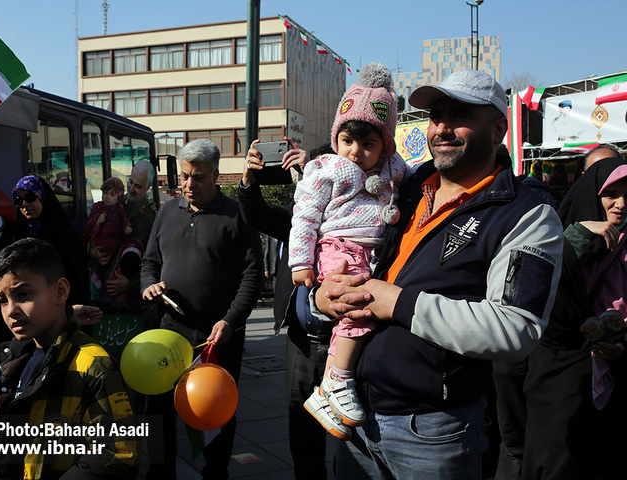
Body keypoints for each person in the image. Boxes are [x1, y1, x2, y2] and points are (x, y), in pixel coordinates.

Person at [312, 69, 563, 480]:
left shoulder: (527, 213)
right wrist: (321, 299)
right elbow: (341, 251)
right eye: (435, 114)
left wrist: (397, 302)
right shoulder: (402, 187)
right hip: (355, 415)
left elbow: (516, 328)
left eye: (459, 114)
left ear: (499, 127)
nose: (442, 127)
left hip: (433, 431)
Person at [289, 63, 409, 439]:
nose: (356, 152)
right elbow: (304, 216)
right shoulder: (328, 168)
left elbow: (409, 168)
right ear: (336, 140)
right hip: (339, 248)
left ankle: (330, 385)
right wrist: (300, 261)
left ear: (385, 146)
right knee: (357, 311)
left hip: (369, 251)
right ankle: (336, 382)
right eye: (348, 141)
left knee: (356, 314)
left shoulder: (391, 169)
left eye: (369, 144)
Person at [140, 139, 262, 480]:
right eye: (184, 177)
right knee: (158, 409)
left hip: (217, 335)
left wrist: (231, 320)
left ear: (216, 176)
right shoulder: (166, 211)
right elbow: (150, 261)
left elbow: (252, 277)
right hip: (169, 328)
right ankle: (158, 473)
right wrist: (148, 284)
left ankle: (215, 473)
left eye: (198, 177)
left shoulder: (238, 215)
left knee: (215, 411)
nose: (189, 185)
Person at [0, 238, 138, 480]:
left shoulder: (93, 365)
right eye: (2, 300)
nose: (11, 310)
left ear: (60, 291)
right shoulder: (14, 358)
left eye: (24, 294)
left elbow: (118, 453)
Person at [522, 157, 627, 480]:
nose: (621, 204)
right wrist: (575, 238)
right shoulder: (559, 237)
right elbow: (540, 288)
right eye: (611, 194)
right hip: (560, 373)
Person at [240, 139, 334, 479]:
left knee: (357, 435)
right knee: (303, 430)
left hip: (348, 341)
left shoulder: (362, 216)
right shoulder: (299, 218)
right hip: (302, 340)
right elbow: (258, 215)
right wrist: (249, 182)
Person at [3, 175, 90, 305]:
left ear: (42, 197)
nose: (24, 204)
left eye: (30, 197)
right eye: (18, 200)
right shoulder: (14, 232)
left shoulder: (63, 232)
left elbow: (77, 274)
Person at [90, 161, 157, 306]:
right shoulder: (114, 202)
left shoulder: (151, 217)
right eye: (130, 182)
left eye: (138, 186)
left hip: (129, 298)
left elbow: (155, 260)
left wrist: (130, 283)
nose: (131, 189)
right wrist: (93, 251)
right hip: (101, 287)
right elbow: (92, 232)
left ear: (148, 188)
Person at [84, 177, 133, 294]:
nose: (107, 197)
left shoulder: (119, 209)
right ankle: (94, 273)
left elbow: (123, 219)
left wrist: (126, 227)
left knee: (108, 259)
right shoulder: (98, 207)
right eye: (105, 193)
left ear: (118, 197)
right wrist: (97, 220)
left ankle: (96, 272)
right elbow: (89, 227)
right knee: (101, 255)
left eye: (112, 194)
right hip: (100, 240)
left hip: (114, 241)